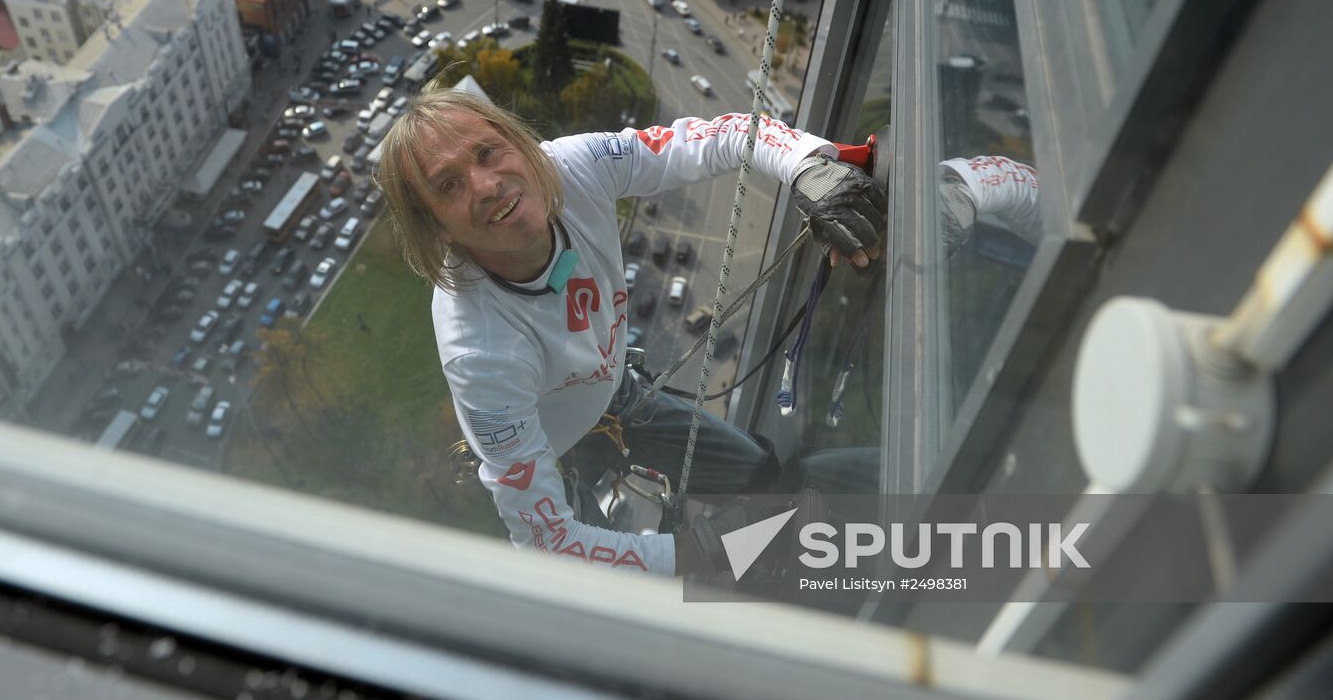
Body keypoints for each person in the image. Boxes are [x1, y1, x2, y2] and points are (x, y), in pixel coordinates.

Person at [376, 87, 1030, 575]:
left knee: (765, 475)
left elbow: (713, 136)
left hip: (616, 393)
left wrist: (809, 166)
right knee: (678, 580)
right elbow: (546, 541)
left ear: (519, 143)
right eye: (450, 185)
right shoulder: (482, 349)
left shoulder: (572, 168)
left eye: (489, 151)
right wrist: (695, 551)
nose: (488, 184)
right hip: (560, 443)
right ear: (436, 227)